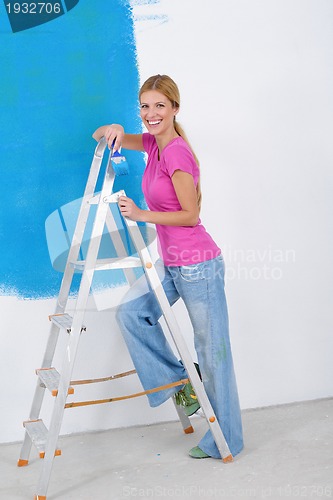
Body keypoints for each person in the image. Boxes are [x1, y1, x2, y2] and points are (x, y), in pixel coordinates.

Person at [92, 74, 243, 459]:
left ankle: (226, 439)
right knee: (130, 313)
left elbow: (191, 215)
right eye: (145, 106)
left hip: (198, 265)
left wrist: (142, 214)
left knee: (213, 353)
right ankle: (181, 381)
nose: (151, 113)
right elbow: (101, 137)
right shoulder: (151, 144)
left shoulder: (175, 152)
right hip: (170, 263)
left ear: (175, 108)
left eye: (160, 105)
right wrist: (113, 129)